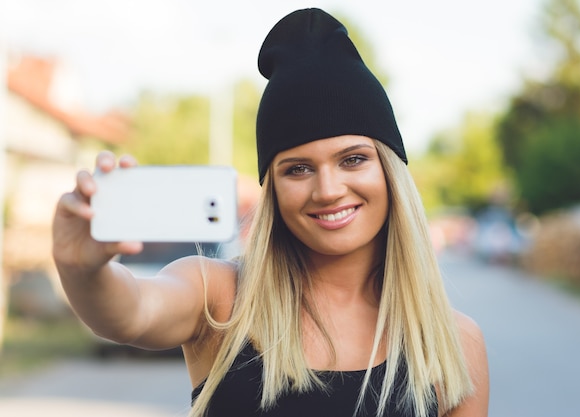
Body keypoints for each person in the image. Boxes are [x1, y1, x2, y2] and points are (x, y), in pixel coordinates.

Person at [52, 8, 489, 417]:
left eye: (352, 159)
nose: (328, 189)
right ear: (273, 188)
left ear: (390, 170)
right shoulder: (221, 298)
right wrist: (82, 269)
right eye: (297, 169)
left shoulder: (453, 343)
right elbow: (130, 312)